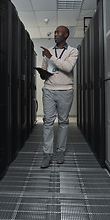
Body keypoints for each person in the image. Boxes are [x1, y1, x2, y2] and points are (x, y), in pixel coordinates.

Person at [39, 25, 78, 168]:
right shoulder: (48, 51)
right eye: (55, 32)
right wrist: (43, 72)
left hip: (65, 90)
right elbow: (45, 68)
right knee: (48, 121)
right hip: (49, 89)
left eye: (58, 32)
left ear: (66, 35)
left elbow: (68, 67)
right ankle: (47, 154)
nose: (55, 34)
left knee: (63, 122)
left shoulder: (73, 51)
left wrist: (51, 57)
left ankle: (60, 152)